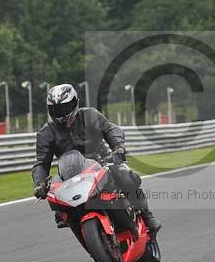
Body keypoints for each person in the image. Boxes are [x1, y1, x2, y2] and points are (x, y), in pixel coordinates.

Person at [31, 83, 162, 233]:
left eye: (65, 108)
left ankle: (146, 215)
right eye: (56, 110)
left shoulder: (90, 115)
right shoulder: (46, 134)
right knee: (59, 209)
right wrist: (39, 184)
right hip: (71, 175)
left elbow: (111, 129)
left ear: (75, 103)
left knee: (125, 176)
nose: (61, 113)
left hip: (101, 163)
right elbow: (41, 164)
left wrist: (118, 148)